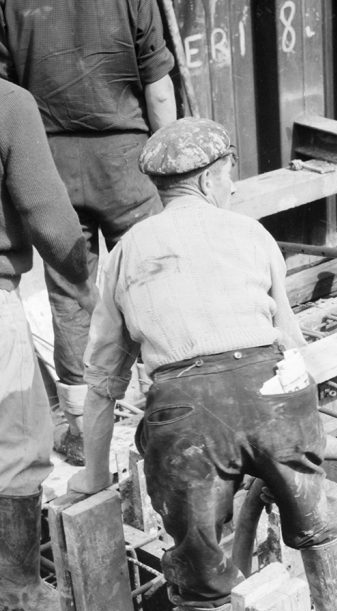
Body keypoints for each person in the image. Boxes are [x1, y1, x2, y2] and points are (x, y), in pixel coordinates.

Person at [68, 118, 337, 611]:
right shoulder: (251, 234)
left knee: (199, 561)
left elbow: (102, 383)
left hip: (186, 415)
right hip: (273, 392)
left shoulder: (123, 256)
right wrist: (298, 431)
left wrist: (93, 476)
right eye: (228, 173)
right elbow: (291, 341)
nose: (232, 183)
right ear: (208, 177)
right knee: (317, 522)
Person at [0, 0, 177, 464]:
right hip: (127, 162)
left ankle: (82, 434)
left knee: (70, 291)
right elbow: (158, 91)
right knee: (154, 283)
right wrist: (174, 171)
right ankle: (174, 412)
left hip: (48, 161)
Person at [0, 78, 90, 611]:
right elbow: (49, 217)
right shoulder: (8, 103)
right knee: (18, 442)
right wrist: (80, 278)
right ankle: (16, 584)